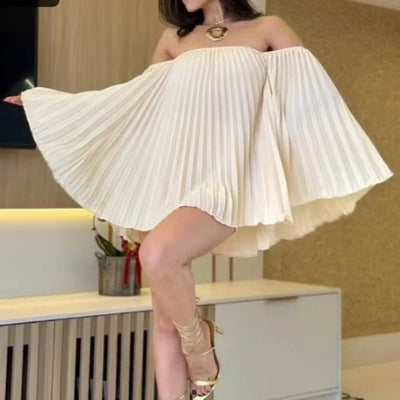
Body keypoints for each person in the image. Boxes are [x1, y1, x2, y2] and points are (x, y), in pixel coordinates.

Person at [3, 1, 394, 399]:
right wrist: (49, 105)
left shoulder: (269, 29)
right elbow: (138, 102)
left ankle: (200, 345)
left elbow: (311, 100)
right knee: (163, 321)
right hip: (167, 179)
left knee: (156, 254)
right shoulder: (173, 40)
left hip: (223, 179)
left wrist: (309, 164)